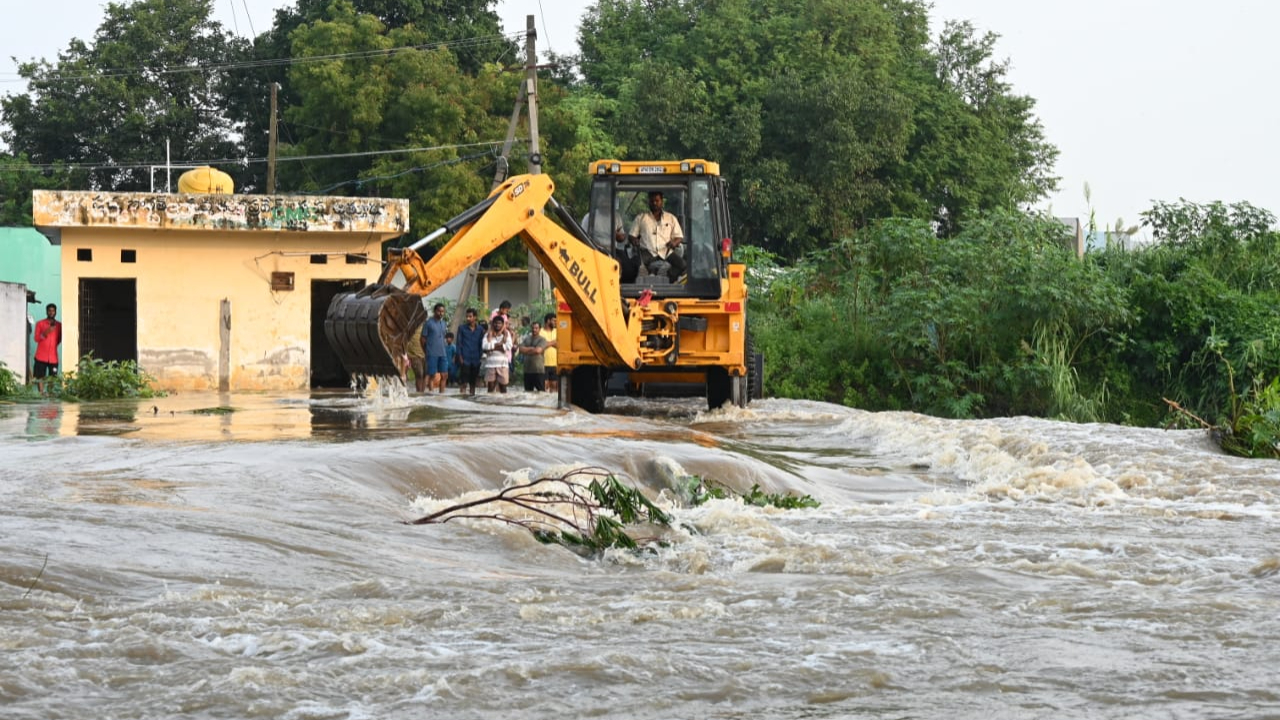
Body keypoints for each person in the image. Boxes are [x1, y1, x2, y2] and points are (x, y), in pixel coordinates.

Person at [628, 191, 685, 282]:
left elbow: (679, 237)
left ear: (662, 201)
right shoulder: (641, 217)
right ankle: (638, 288)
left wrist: (674, 243)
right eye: (652, 201)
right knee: (631, 267)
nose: (654, 203)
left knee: (682, 265)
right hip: (646, 252)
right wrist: (634, 241)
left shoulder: (671, 218)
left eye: (657, 200)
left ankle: (667, 279)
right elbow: (631, 236)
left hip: (666, 252)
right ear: (649, 202)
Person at [455, 308, 485, 396]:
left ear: (475, 317)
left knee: (473, 382)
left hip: (476, 359)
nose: (468, 318)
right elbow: (459, 343)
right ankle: (462, 400)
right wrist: (460, 357)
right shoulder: (462, 328)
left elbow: (481, 344)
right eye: (467, 316)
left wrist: (480, 356)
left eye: (470, 316)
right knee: (463, 382)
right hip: (465, 358)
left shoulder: (480, 329)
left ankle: (472, 399)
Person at [33, 303, 61, 395]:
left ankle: (50, 393)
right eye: (49, 310)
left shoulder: (59, 325)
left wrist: (52, 346)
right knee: (40, 376)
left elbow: (59, 339)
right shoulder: (40, 324)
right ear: (46, 312)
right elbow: (36, 338)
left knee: (52, 377)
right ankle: (41, 393)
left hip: (53, 357)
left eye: (53, 311)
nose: (51, 312)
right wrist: (46, 332)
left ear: (55, 312)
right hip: (41, 355)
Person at [481, 315, 513, 393]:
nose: (497, 325)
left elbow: (509, 346)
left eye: (499, 323)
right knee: (490, 388)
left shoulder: (506, 334)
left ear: (502, 324)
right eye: (495, 323)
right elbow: (484, 346)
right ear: (492, 324)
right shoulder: (488, 334)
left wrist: (492, 347)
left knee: (503, 388)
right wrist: (500, 345)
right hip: (490, 364)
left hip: (503, 364)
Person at [422, 302, 449, 394]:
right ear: (434, 311)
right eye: (439, 311)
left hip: (442, 353)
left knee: (444, 375)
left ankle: (442, 395)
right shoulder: (428, 323)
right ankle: (430, 393)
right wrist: (425, 351)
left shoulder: (444, 323)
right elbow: (422, 339)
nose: (441, 313)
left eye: (442, 311)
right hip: (432, 353)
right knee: (431, 375)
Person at [519, 321, 548, 392]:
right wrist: (532, 349)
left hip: (538, 371)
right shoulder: (526, 339)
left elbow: (538, 351)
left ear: (540, 329)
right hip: (527, 371)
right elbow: (520, 349)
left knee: (541, 393)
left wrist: (526, 350)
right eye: (533, 328)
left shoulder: (542, 340)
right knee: (527, 393)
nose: (534, 329)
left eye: (536, 328)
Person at [406, 319, 427, 392]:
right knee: (419, 374)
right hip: (414, 355)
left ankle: (422, 393)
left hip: (426, 354)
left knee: (425, 375)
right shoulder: (410, 328)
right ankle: (419, 393)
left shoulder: (426, 328)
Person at [541, 312, 559, 393]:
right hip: (543, 364)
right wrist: (553, 343)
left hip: (555, 363)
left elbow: (560, 344)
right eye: (554, 321)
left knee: (554, 388)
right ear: (548, 321)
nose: (555, 322)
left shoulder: (557, 331)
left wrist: (547, 343)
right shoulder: (540, 332)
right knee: (544, 387)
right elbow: (540, 346)